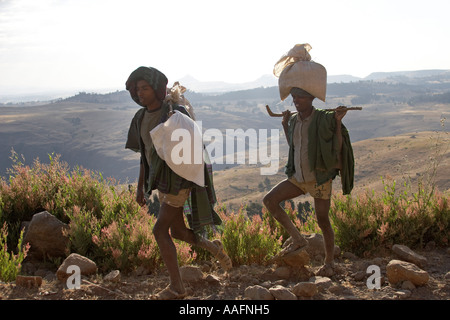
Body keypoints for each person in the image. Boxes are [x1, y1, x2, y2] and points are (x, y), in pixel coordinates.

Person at [125, 66, 232, 299]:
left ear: (156, 88)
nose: (140, 93)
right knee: (179, 232)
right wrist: (140, 188)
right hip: (160, 181)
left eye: (145, 88)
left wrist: (190, 181)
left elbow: (193, 151)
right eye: (137, 89)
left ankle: (177, 288)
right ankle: (214, 248)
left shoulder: (173, 113)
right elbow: (144, 157)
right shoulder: (140, 118)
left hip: (178, 181)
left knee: (159, 230)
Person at [263, 87, 354, 277]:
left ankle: (329, 263)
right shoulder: (295, 120)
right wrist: (285, 124)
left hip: (319, 178)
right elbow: (294, 147)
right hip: (298, 178)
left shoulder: (323, 118)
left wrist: (337, 122)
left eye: (301, 97)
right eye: (294, 97)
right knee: (269, 200)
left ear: (312, 98)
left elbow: (336, 145)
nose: (296, 100)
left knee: (322, 220)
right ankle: (298, 239)